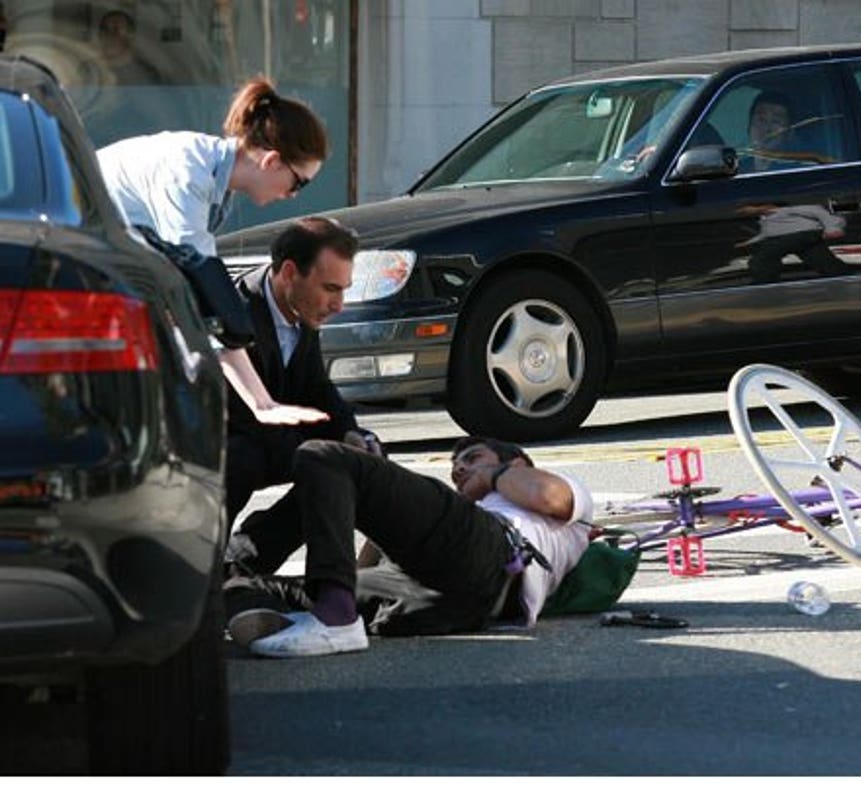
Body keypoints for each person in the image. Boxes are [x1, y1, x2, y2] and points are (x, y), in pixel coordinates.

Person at [96, 74, 330, 427]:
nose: (295, 194)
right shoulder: (187, 176)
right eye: (299, 182)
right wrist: (262, 403)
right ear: (271, 161)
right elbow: (205, 295)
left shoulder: (209, 174)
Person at [227, 436, 593, 658]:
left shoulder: (551, 486)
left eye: (473, 457)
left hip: (496, 553)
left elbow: (548, 497)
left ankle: (334, 617)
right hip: (440, 599)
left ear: (517, 462)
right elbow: (363, 567)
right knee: (236, 591)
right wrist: (367, 499)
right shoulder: (456, 515)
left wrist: (491, 476)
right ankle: (225, 585)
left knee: (323, 457)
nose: (459, 470)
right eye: (455, 465)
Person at [224, 216, 383, 549]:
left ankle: (251, 557)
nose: (338, 305)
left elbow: (316, 387)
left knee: (360, 462)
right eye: (330, 289)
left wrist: (350, 434)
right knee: (242, 461)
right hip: (225, 444)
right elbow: (244, 418)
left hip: (272, 439)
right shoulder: (235, 311)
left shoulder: (301, 309)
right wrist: (322, 452)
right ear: (289, 273)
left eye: (343, 290)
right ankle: (206, 573)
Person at [94, 9, 162, 85]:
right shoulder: (91, 69)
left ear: (131, 35)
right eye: (105, 29)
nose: (110, 36)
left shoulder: (147, 73)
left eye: (116, 29)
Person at [739, 89, 796, 174]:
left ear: (790, 133)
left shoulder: (796, 171)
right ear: (749, 126)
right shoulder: (737, 170)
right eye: (761, 119)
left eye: (775, 121)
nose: (767, 128)